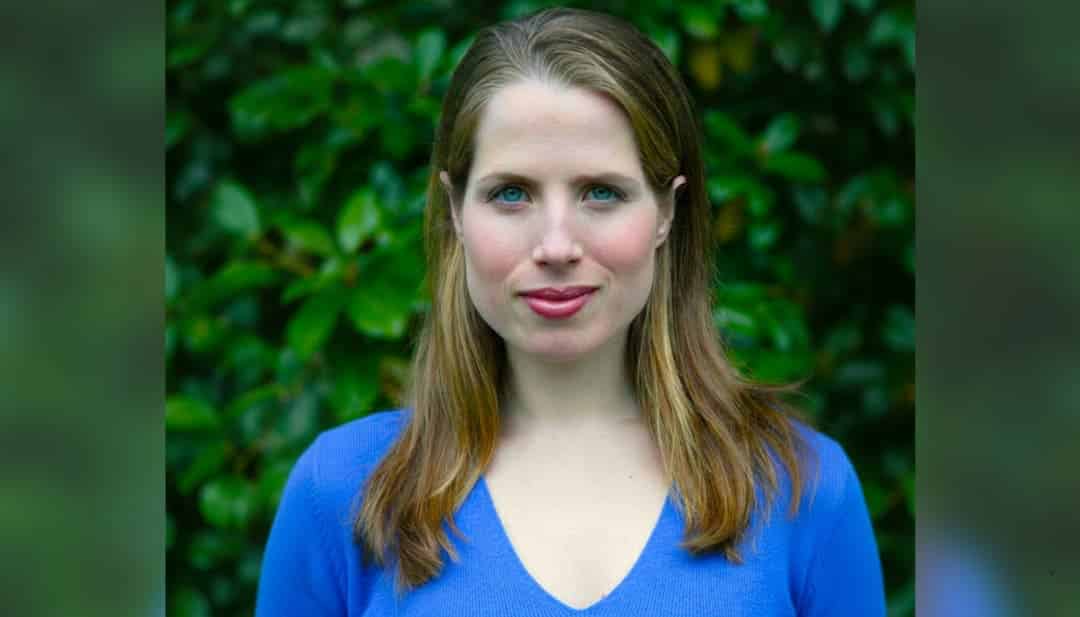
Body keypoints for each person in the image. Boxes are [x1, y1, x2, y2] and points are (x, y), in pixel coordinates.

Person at [255, 7, 886, 616]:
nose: (556, 245)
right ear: (454, 210)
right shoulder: (342, 491)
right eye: (511, 194)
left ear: (666, 212)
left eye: (601, 193)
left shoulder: (803, 489)